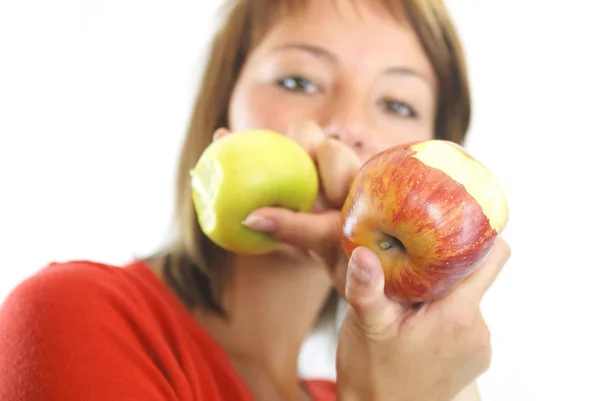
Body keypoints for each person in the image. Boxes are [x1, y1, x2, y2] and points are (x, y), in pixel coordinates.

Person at [0, 0, 511, 400]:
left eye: (397, 103)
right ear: (224, 108)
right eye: (298, 81)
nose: (346, 126)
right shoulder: (79, 317)